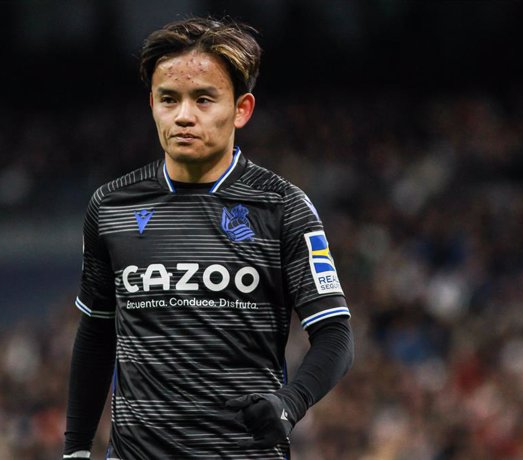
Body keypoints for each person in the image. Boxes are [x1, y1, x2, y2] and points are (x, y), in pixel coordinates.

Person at [63, 16, 354, 460]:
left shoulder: (283, 208)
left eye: (203, 99)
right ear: (152, 104)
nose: (183, 115)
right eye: (169, 99)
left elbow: (335, 335)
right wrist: (76, 449)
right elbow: (97, 333)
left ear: (241, 108)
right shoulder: (111, 207)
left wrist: (289, 406)